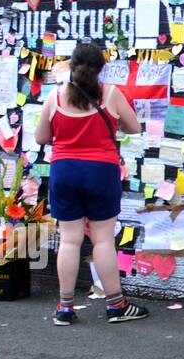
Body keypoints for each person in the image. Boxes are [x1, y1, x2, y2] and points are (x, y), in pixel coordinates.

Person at [35, 42, 148, 325]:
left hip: (64, 171)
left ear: (71, 66)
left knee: (70, 240)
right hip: (101, 171)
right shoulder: (111, 94)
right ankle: (116, 306)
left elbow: (40, 138)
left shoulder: (56, 97)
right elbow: (134, 128)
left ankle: (65, 307)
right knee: (102, 239)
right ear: (101, 69)